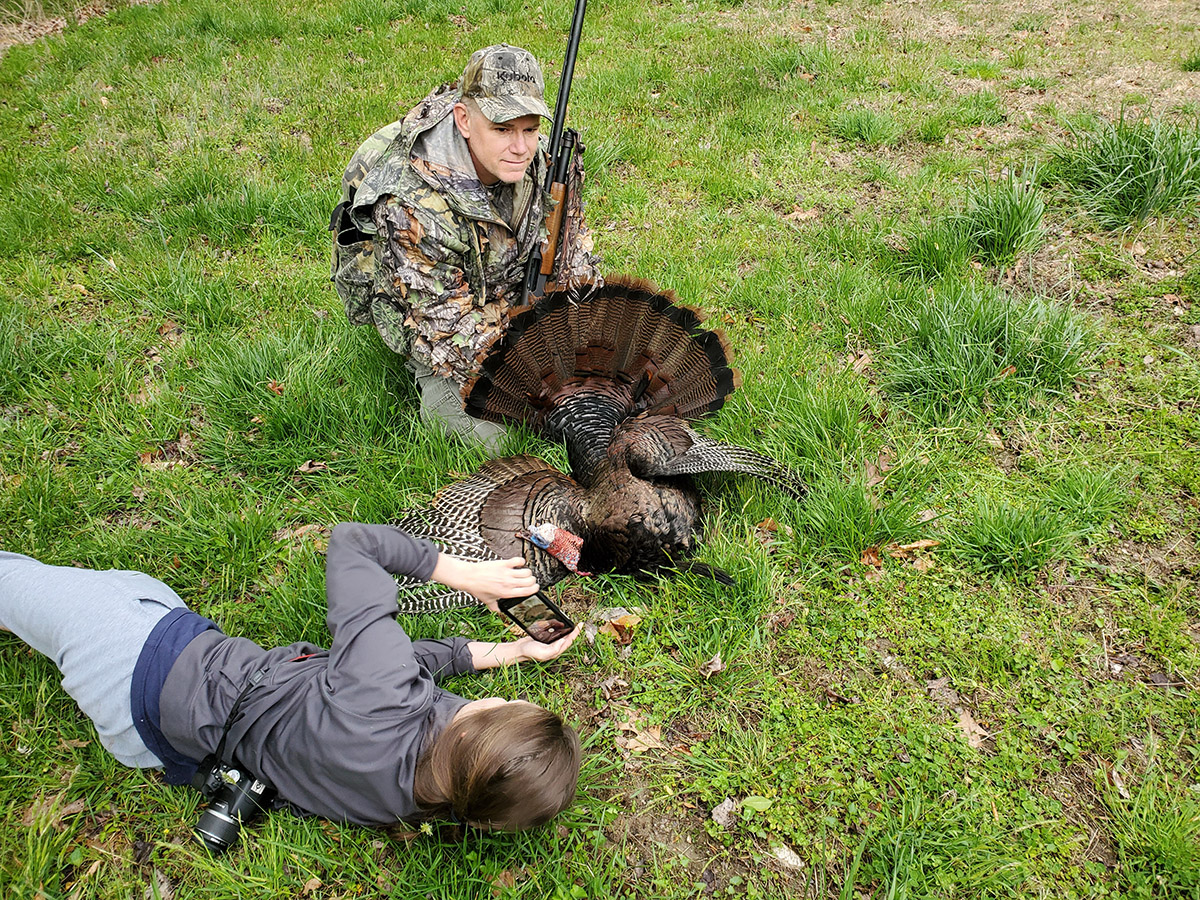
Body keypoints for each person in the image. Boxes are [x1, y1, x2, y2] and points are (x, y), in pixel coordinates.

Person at [0, 522, 583, 832]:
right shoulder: (418, 799)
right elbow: (418, 688)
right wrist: (509, 652)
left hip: (131, 660)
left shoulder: (379, 691)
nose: (504, 697)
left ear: (477, 723)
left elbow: (354, 544)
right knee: (133, 587)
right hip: (155, 746)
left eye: (507, 705)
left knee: (25, 584)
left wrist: (461, 574)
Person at [329, 44, 603, 449]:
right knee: (502, 437)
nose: (521, 147)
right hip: (429, 316)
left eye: (530, 129)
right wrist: (533, 371)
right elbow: (442, 326)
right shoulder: (413, 203)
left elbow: (572, 256)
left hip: (496, 285)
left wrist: (576, 336)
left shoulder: (545, 163)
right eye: (503, 129)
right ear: (464, 120)